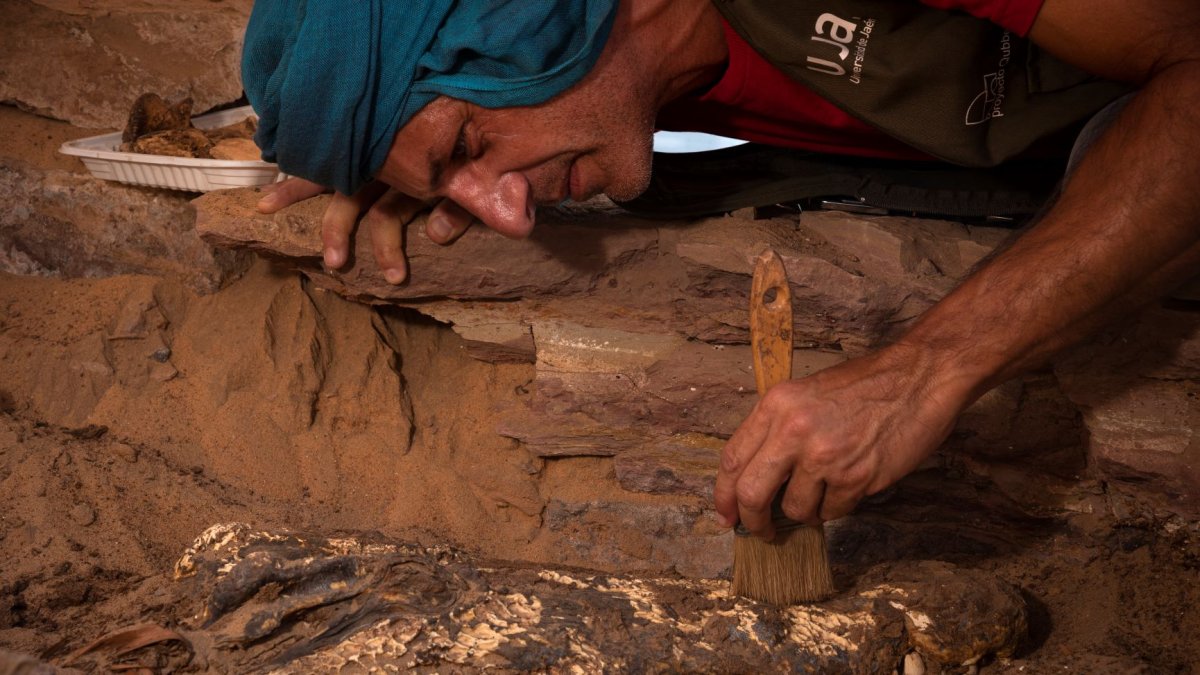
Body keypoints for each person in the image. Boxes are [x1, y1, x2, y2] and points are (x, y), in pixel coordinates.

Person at [243, 0, 1200, 542]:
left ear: (528, 17)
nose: (510, 210)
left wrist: (926, 371)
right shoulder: (649, 82)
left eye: (471, 139)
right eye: (452, 186)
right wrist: (403, 160)